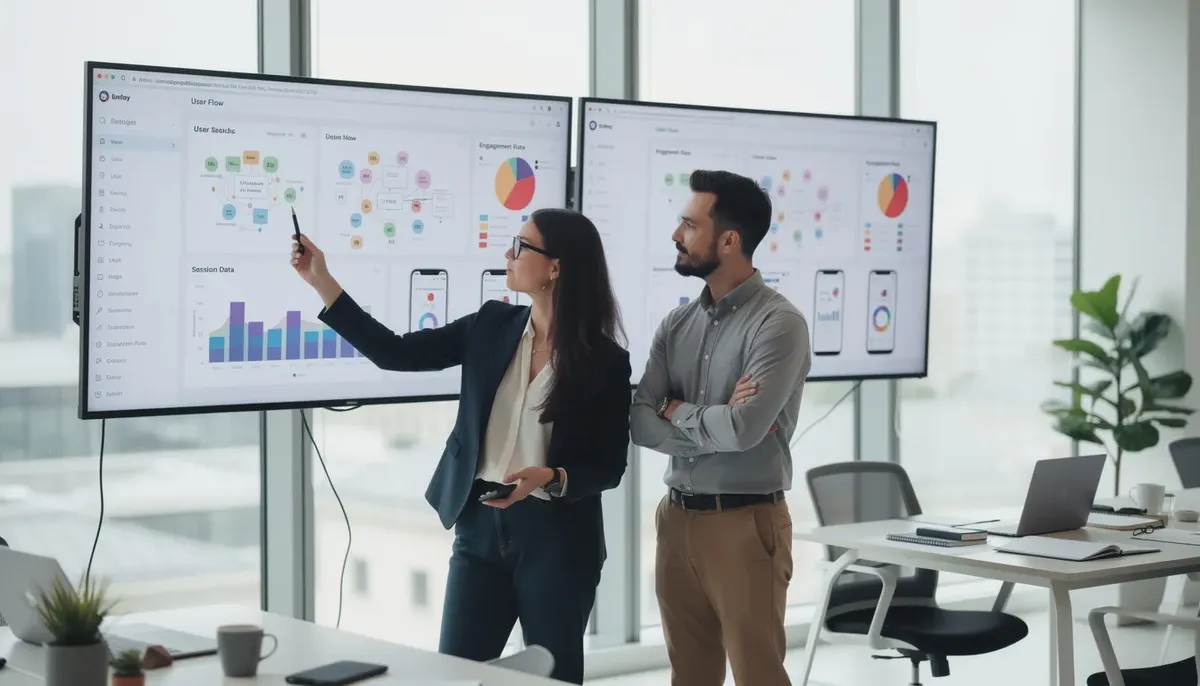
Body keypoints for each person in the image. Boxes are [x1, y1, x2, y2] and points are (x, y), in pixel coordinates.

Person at [290, 208, 631, 684]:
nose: (508, 253)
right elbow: (396, 352)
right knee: (454, 675)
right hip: (479, 528)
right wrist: (322, 282)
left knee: (552, 678)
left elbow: (609, 466)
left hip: (556, 538)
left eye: (521, 246)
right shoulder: (492, 325)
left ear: (555, 267)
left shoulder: (605, 362)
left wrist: (551, 478)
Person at [630, 169, 812, 685]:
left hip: (744, 525)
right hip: (675, 521)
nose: (677, 235)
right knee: (688, 677)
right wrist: (708, 419)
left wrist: (676, 409)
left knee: (758, 675)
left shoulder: (779, 324)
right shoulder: (676, 326)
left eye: (690, 225)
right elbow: (640, 422)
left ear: (729, 241)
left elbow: (743, 431)